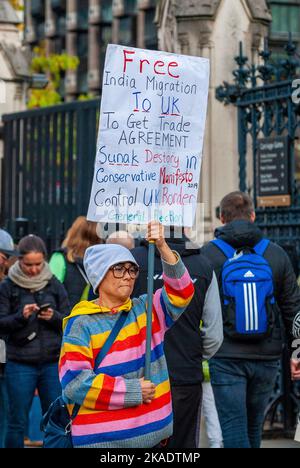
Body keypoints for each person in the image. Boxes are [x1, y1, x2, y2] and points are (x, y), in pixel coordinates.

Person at [59, 221, 195, 448]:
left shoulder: (146, 309)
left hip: (154, 440)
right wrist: (132, 391)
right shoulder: (81, 323)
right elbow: (74, 383)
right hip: (105, 444)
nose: (128, 276)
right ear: (99, 275)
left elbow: (183, 292)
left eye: (132, 269)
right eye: (118, 269)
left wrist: (162, 245)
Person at [201, 191, 300, 448]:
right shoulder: (276, 254)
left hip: (225, 356)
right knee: (254, 426)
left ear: (222, 218)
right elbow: (292, 309)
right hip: (266, 357)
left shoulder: (207, 256)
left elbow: (193, 308)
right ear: (253, 216)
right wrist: (296, 352)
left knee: (233, 428)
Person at [132, 227, 223, 448]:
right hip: (184, 372)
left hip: (139, 377)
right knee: (182, 444)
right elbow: (213, 333)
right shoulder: (203, 265)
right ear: (186, 227)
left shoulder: (132, 261)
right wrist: (194, 354)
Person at [0, 234, 69, 448]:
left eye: (38, 264)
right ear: (19, 260)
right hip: (19, 362)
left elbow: (69, 320)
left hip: (51, 362)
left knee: (56, 420)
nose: (33, 269)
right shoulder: (8, 286)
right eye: (28, 264)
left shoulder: (54, 283)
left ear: (45, 260)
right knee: (16, 422)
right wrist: (21, 316)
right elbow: (1, 323)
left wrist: (54, 317)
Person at [49, 216, 102, 309]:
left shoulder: (60, 258)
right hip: (93, 319)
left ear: (72, 233)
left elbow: (50, 289)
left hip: (65, 318)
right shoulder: (103, 263)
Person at [0, 229, 19, 448]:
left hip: (5, 353)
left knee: (6, 410)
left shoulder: (6, 282)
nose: (6, 260)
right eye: (4, 254)